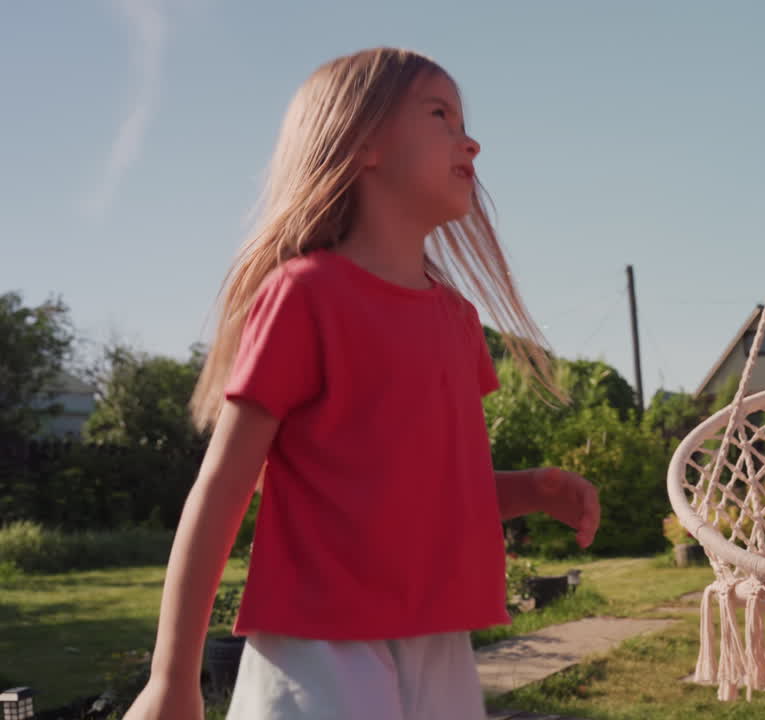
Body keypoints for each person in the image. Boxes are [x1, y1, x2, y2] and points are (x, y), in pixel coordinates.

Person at [122, 47, 600, 720]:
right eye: (440, 114)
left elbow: (422, 492)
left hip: (441, 645)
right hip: (319, 647)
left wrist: (526, 490)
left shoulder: (459, 322)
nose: (472, 140)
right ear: (362, 143)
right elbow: (223, 488)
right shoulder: (303, 295)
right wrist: (172, 678)